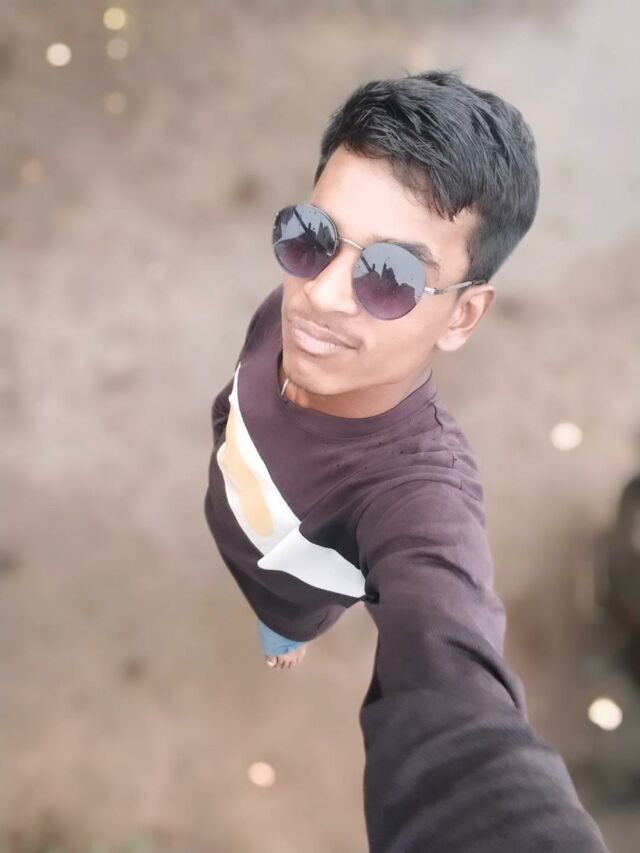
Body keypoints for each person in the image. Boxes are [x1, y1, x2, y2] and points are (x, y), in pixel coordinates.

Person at [204, 70, 609, 852]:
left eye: (391, 276)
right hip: (237, 510)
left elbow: (455, 700)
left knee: (282, 618)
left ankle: (283, 634)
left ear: (462, 315)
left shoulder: (420, 499)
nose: (322, 295)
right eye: (311, 236)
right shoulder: (292, 310)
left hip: (290, 585)